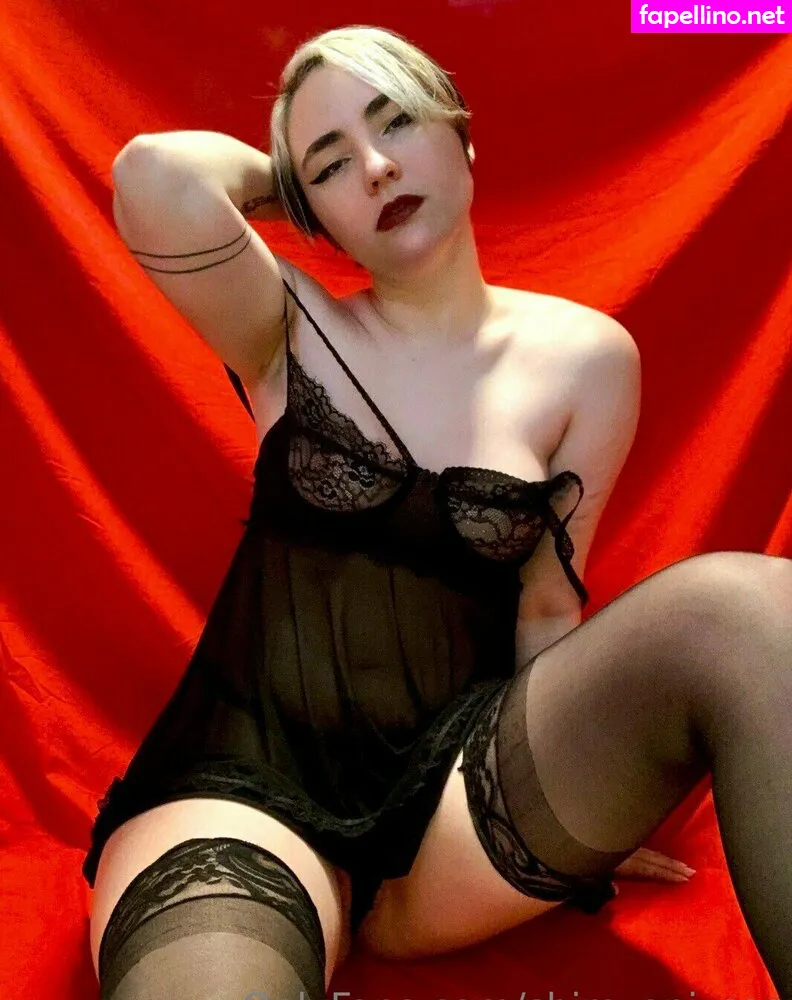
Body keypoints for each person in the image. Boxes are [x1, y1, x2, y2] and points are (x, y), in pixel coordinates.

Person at [82, 23, 792, 1000]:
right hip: (248, 791)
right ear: (310, 208)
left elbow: (547, 604)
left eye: (397, 123)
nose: (375, 166)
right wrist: (289, 181)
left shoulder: (588, 360)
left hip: (459, 806)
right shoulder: (287, 327)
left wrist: (588, 780)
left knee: (750, 609)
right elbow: (151, 176)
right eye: (331, 162)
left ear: (462, 138)